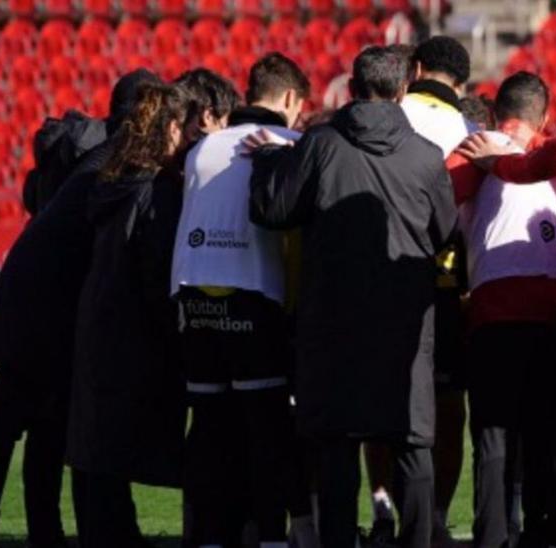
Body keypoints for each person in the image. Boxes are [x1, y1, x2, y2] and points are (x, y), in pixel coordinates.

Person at [246, 46, 457, 548]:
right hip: (404, 322)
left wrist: (270, 159)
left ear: (354, 87)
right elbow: (445, 231)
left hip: (332, 323)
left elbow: (274, 209)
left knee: (336, 445)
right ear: (403, 90)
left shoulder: (320, 143)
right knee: (411, 440)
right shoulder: (426, 156)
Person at [0, 69, 161, 548]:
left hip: (31, 301)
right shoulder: (115, 161)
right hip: (55, 310)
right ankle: (36, 531)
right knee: (44, 427)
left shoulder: (84, 152)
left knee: (12, 426)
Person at [169, 52, 310, 548]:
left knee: (209, 428)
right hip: (252, 296)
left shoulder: (200, 150)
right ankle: (271, 536)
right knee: (267, 429)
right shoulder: (291, 142)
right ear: (291, 99)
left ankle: (212, 536)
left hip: (192, 296)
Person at [66, 82, 195, 548]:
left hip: (99, 321)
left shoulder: (109, 180)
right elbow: (157, 268)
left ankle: (112, 533)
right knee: (121, 444)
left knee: (99, 449)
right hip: (135, 331)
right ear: (172, 128)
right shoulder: (156, 190)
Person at [446, 71, 556, 548]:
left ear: (495, 113)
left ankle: (494, 535)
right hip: (554, 307)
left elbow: (435, 203)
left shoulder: (480, 144)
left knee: (494, 435)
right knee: (542, 432)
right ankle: (541, 531)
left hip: (494, 306)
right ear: (546, 115)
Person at [392, 36, 480, 543]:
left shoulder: (389, 110)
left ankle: (385, 508)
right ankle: (437, 518)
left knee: (382, 401)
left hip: (382, 280)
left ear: (417, 68)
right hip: (444, 283)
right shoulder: (467, 130)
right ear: (462, 85)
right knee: (447, 407)